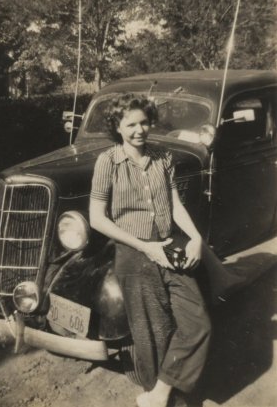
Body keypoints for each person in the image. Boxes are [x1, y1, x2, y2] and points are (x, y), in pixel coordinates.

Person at [89, 93, 212, 407]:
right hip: (134, 255)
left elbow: (174, 205)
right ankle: (170, 401)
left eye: (144, 122)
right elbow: (96, 218)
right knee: (151, 336)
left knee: (198, 324)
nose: (139, 130)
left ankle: (159, 393)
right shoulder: (108, 162)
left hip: (169, 246)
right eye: (130, 124)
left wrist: (195, 237)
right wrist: (146, 247)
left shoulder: (162, 155)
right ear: (117, 126)